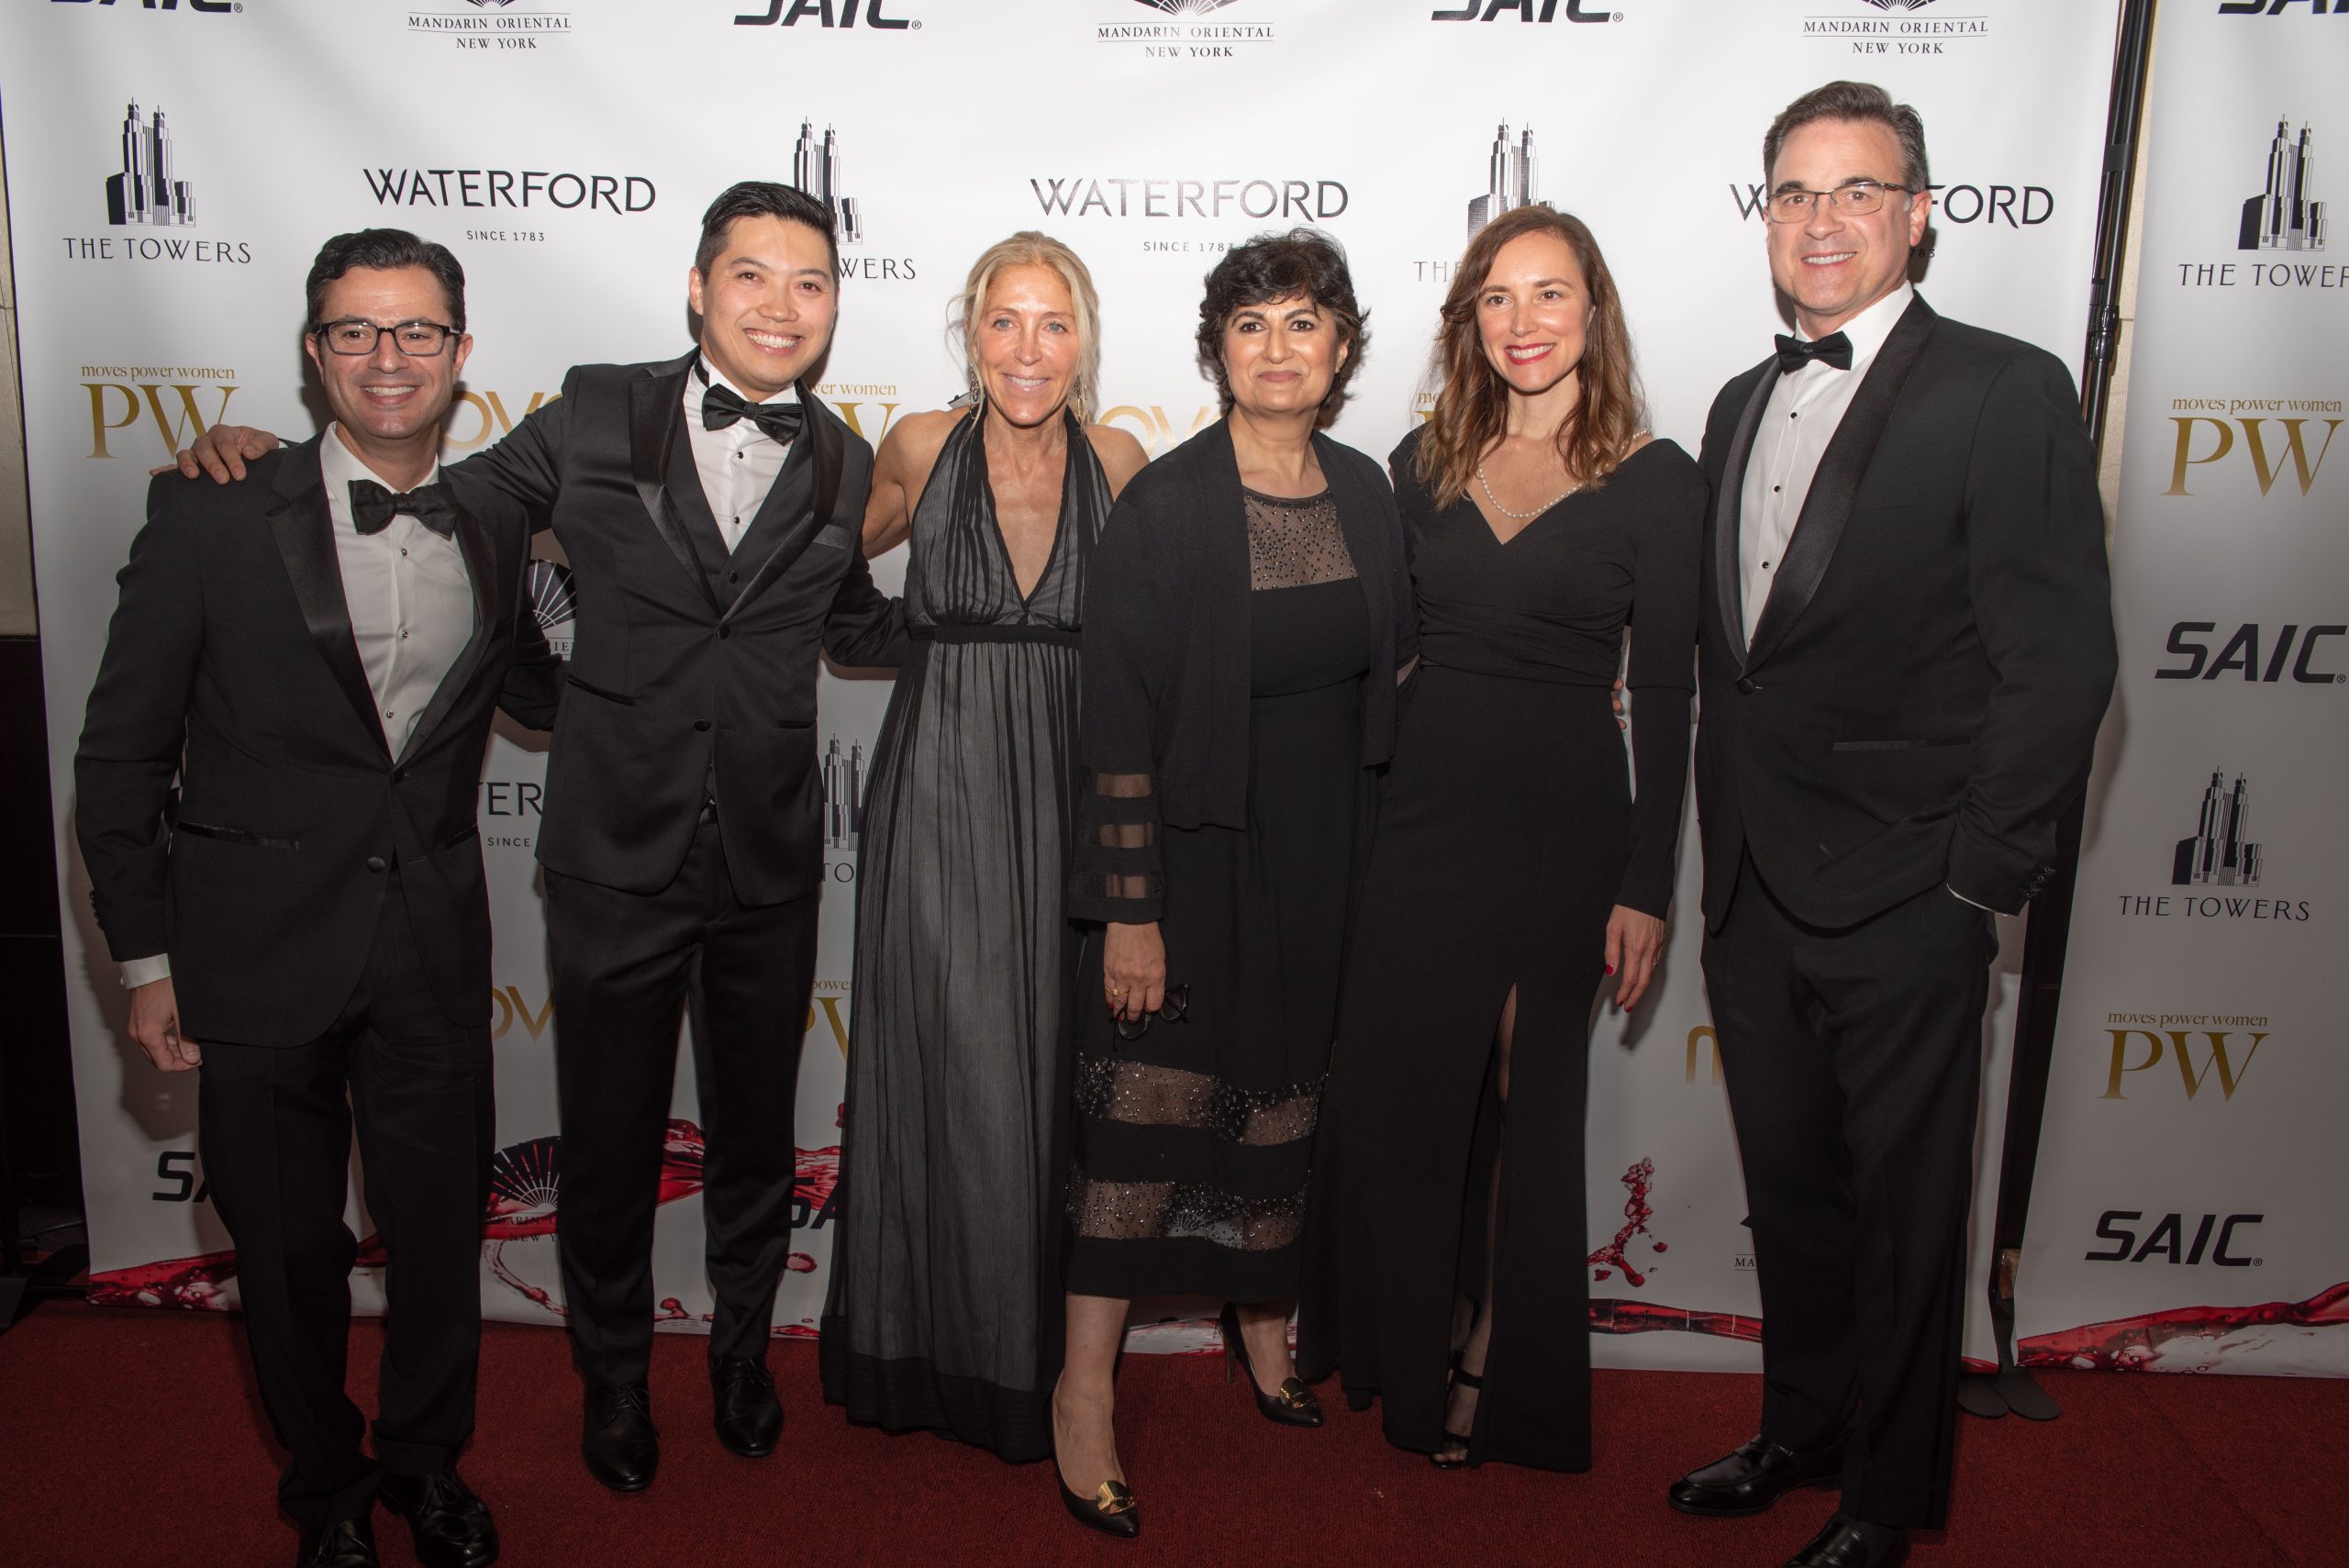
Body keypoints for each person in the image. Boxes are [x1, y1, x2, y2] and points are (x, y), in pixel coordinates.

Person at [178, 183, 906, 1494]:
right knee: (610, 1141)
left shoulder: (847, 460)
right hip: (612, 855)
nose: (781, 305)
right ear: (700, 289)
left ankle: (743, 1353)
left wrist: (1008, 614)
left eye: (809, 283)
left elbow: (850, 617)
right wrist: (266, 463)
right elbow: (432, 502)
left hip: (770, 860)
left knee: (755, 1137)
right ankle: (613, 1374)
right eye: (751, 275)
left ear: (835, 306)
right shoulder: (596, 410)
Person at [1673, 83, 2113, 1568]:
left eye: (1857, 190)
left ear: (1919, 215)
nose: (1822, 220)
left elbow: (2061, 662)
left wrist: (1975, 877)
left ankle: (1886, 1493)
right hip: (1754, 884)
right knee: (1793, 1196)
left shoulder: (2005, 389)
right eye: (1795, 192)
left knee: (1912, 1215)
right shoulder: (1738, 401)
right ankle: (1802, 1425)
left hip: (1913, 889)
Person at [77, 229, 560, 1568]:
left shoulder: (496, 517)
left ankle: (427, 1467)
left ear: (461, 352)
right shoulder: (214, 509)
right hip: (249, 952)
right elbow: (120, 756)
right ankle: (328, 1492)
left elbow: (542, 688)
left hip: (429, 948)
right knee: (287, 1256)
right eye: (356, 330)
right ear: (314, 351)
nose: (387, 357)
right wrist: (144, 962)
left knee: (438, 1238)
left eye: (416, 330)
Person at [1297, 205, 1703, 1472]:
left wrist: (1648, 882)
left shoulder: (1657, 478)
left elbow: (1671, 694)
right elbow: (1373, 655)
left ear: (1594, 311)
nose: (1524, 322)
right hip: (1420, 818)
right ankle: (1409, 1339)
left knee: (1532, 1097)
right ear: (1469, 319)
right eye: (1497, 297)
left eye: (1550, 293)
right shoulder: (1421, 461)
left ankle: (1495, 1354)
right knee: (1413, 1095)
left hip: (1566, 826)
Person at [1052, 228, 1416, 1538]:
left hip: (1326, 861)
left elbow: (1395, 681)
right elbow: (1114, 722)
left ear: (1340, 348)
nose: (1278, 347)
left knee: (1284, 1106)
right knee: (1137, 1134)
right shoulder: (1168, 504)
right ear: (1217, 350)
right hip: (1192, 866)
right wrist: (1130, 911)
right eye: (1251, 324)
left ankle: (1262, 1323)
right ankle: (1084, 1390)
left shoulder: (1367, 489)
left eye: (1303, 322)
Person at [818, 233, 1145, 1462]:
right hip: (941, 790)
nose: (1027, 349)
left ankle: (1048, 1369)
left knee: (1058, 1072)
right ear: (971, 332)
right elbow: (814, 567)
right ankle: (935, 1354)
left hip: (1074, 790)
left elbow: (1165, 637)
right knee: (954, 1069)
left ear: (1084, 339)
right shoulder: (919, 444)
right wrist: (923, 644)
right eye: (1004, 321)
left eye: (1053, 323)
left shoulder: (1121, 461)